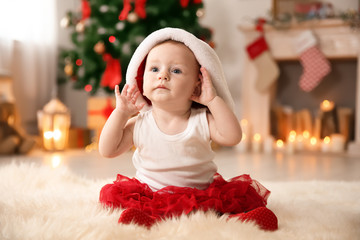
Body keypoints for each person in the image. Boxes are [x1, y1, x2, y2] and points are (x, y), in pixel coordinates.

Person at [99, 28, 278, 231]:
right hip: (152, 195)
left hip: (199, 195)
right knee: (148, 207)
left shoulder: (201, 120)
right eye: (154, 69)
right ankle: (148, 219)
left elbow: (233, 136)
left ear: (196, 85)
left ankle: (239, 220)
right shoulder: (140, 123)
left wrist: (212, 101)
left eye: (176, 71)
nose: (163, 76)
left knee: (212, 212)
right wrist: (121, 113)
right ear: (141, 80)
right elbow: (107, 150)